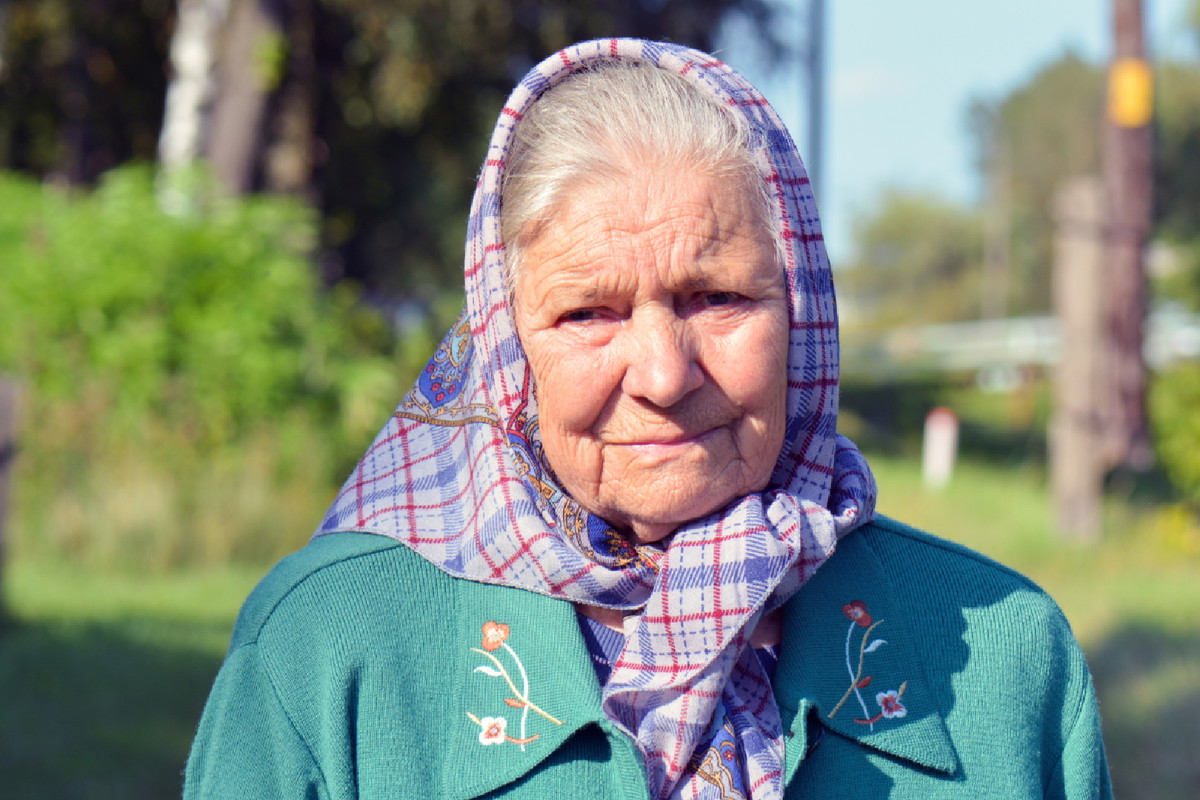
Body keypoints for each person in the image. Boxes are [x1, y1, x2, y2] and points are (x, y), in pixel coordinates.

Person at [184, 39, 1112, 800]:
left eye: (716, 299)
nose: (664, 376)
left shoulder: (1006, 658)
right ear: (509, 346)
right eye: (589, 314)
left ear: (800, 315)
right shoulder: (330, 650)